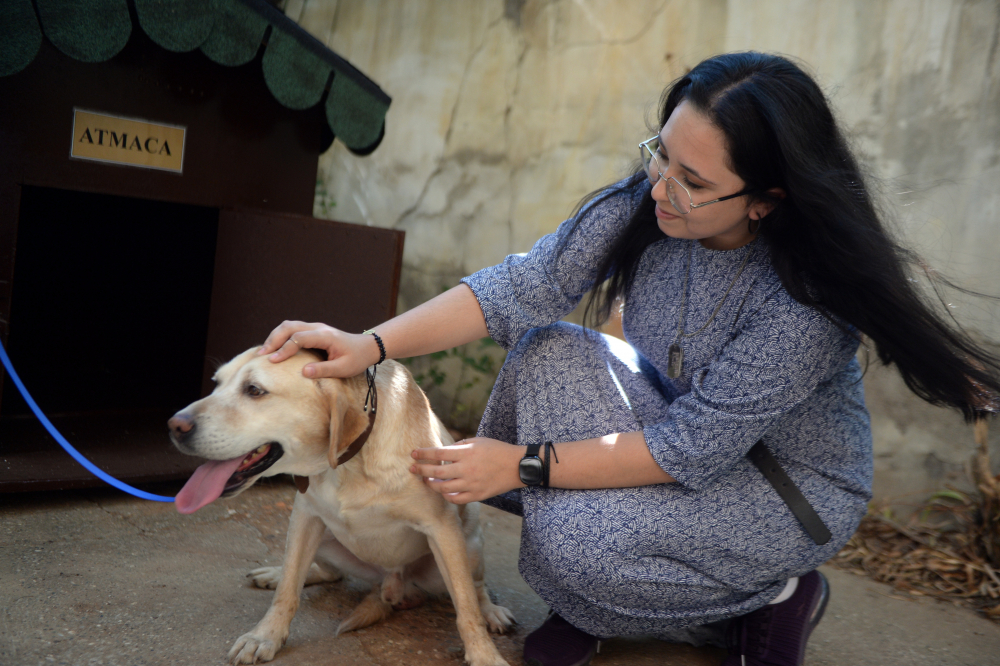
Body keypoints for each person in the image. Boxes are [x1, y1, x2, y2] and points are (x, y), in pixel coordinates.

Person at [257, 52, 1000, 666]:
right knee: (545, 349)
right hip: (669, 419)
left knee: (569, 547)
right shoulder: (648, 201)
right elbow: (525, 285)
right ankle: (610, 597)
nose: (660, 188)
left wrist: (519, 464)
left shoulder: (803, 305)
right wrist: (370, 342)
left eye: (694, 181)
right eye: (662, 155)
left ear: (766, 201)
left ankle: (765, 596)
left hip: (782, 491)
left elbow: (690, 448)